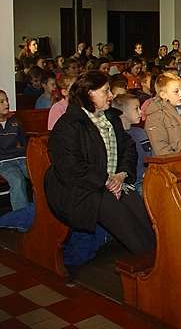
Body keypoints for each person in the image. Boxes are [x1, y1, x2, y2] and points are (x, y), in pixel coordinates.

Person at [45, 71, 155, 255]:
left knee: (141, 212)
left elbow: (128, 147)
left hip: (112, 182)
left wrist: (122, 174)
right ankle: (150, 259)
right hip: (80, 190)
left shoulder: (111, 117)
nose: (111, 96)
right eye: (105, 91)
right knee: (124, 220)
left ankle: (158, 255)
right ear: (89, 93)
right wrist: (105, 181)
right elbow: (71, 167)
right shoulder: (69, 125)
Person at [145, 72, 181, 155]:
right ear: (163, 95)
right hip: (173, 163)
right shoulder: (156, 116)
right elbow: (161, 148)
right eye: (176, 92)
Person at [112, 94, 152, 195]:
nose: (140, 112)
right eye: (136, 109)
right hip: (134, 183)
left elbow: (151, 155)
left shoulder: (141, 132)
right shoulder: (117, 136)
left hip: (149, 178)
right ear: (122, 112)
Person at [0, 90, 30, 211]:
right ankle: (22, 218)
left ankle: (43, 212)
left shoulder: (15, 121)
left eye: (6, 100)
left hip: (21, 158)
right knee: (17, 180)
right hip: (3, 162)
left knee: (39, 175)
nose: (6, 103)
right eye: (1, 102)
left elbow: (24, 142)